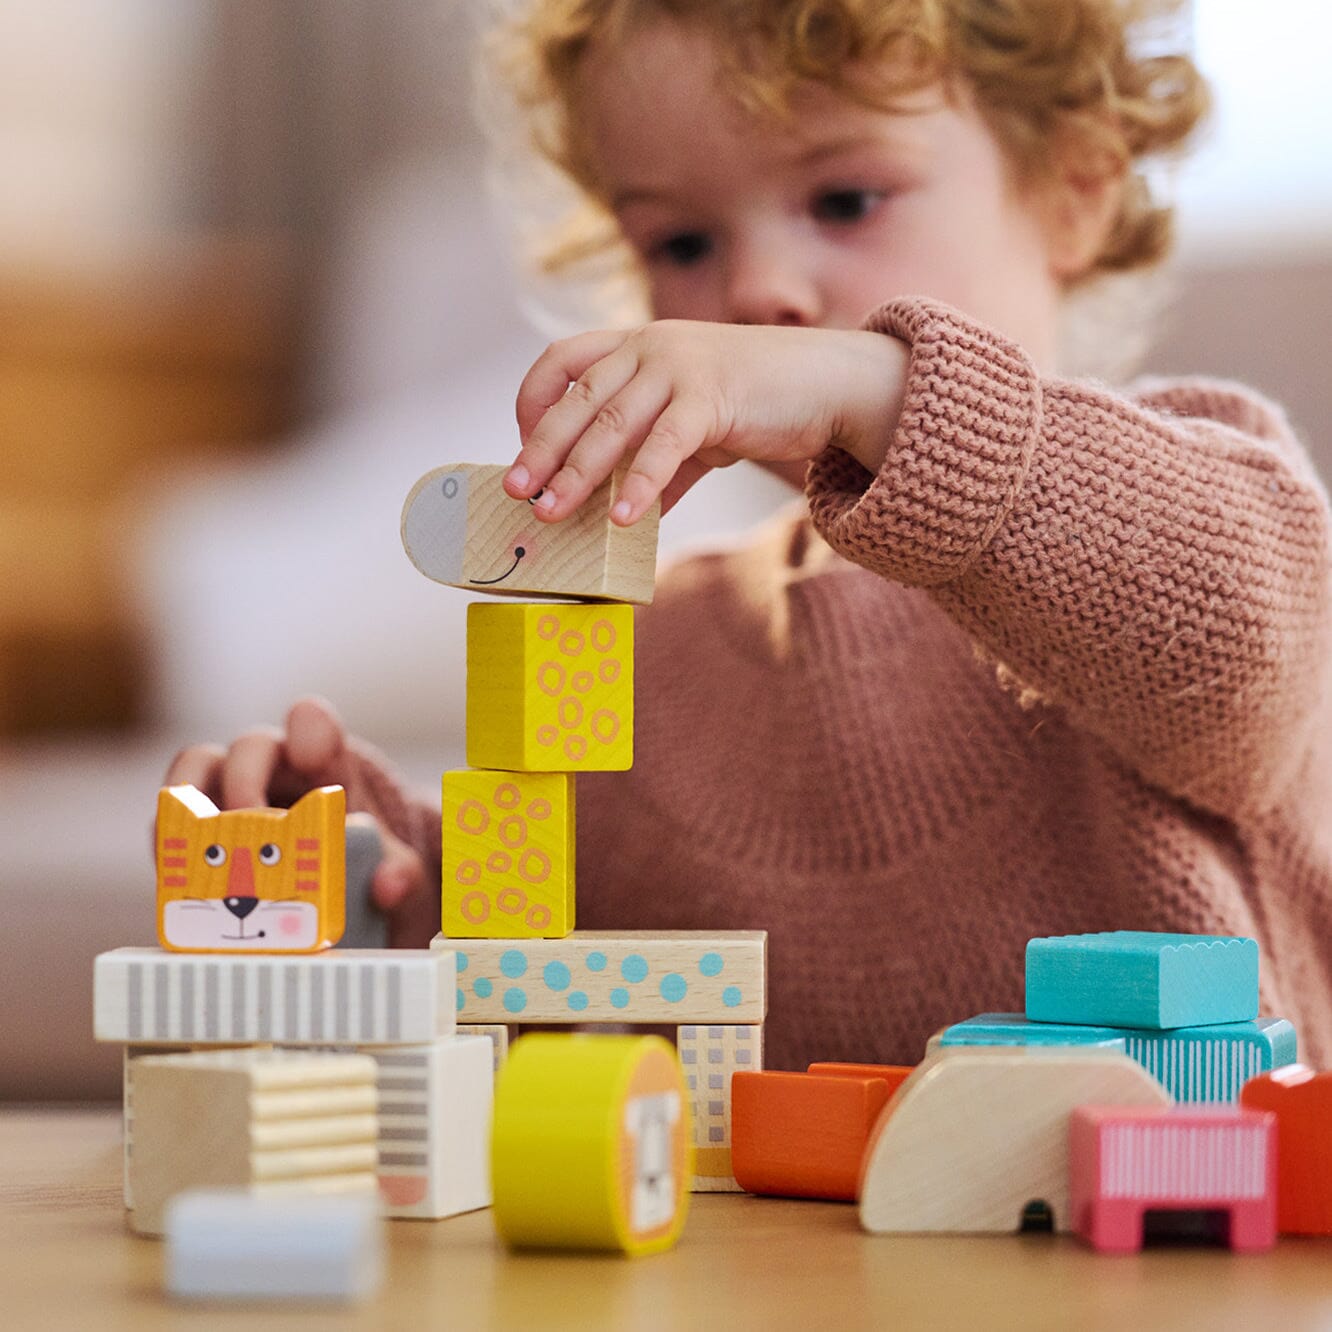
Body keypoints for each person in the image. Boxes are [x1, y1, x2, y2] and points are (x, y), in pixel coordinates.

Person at [167, 0, 1332, 1070]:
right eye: (681, 243)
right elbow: (530, 967)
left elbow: (1243, 642)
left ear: (1075, 188)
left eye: (844, 200)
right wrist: (356, 862)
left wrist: (878, 389)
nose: (759, 289)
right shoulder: (659, 650)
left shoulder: (1189, 484)